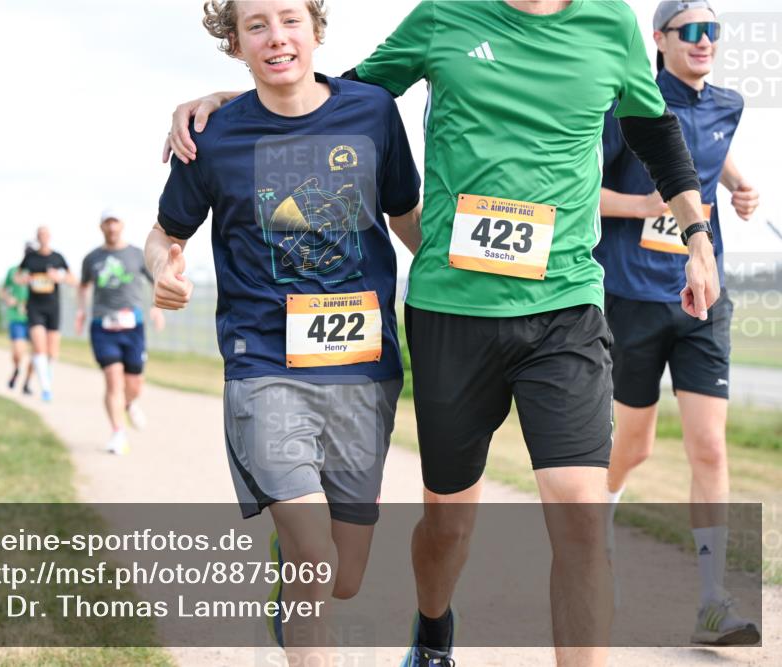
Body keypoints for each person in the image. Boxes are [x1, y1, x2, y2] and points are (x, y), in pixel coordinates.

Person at [165, 1, 721, 665]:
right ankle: (432, 631)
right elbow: (349, 90)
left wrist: (697, 234)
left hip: (565, 306)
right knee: (450, 523)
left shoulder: (611, 24)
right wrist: (247, 98)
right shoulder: (444, 16)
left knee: (579, 519)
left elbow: (653, 131)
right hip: (452, 314)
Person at [149, 1, 422, 662]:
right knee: (314, 557)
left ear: (316, 29)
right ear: (235, 43)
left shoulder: (372, 112)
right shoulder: (212, 136)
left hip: (365, 368)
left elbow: (409, 219)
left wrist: (468, 286)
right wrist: (162, 270)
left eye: (290, 19)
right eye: (257, 25)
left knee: (344, 576)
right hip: (264, 364)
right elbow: (165, 235)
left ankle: (290, 555)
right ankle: (295, 549)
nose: (277, 37)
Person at [597, 0, 760, 647]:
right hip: (631, 294)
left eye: (711, 31)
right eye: (689, 30)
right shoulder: (628, 102)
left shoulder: (728, 104)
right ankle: (593, 524)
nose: (702, 41)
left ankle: (713, 598)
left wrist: (742, 183)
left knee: (710, 446)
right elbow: (582, 185)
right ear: (658, 39)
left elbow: (704, 151)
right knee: (632, 446)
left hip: (703, 292)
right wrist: (641, 202)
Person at [78, 210, 166, 455]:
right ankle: (118, 432)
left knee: (135, 383)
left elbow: (156, 280)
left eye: (115, 222)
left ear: (122, 225)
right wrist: (81, 311)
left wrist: (157, 308)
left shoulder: (137, 255)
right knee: (113, 380)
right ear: (101, 227)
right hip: (102, 326)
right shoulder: (91, 258)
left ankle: (129, 403)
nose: (111, 227)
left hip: (133, 327)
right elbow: (83, 286)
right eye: (107, 222)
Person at [18, 226, 77, 402]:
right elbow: (18, 277)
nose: (43, 237)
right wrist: (25, 279)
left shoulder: (57, 258)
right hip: (35, 306)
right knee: (39, 347)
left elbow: (73, 279)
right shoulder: (30, 258)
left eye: (46, 234)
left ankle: (47, 380)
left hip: (53, 306)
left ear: (50, 237)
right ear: (37, 237)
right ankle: (46, 388)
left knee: (52, 352)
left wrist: (59, 277)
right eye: (40, 235)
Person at [3, 248, 35, 395]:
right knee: (18, 351)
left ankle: (27, 382)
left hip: (35, 317)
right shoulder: (13, 271)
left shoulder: (39, 272)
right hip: (16, 316)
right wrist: (8, 299)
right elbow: (4, 289)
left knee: (36, 354)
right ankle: (16, 369)